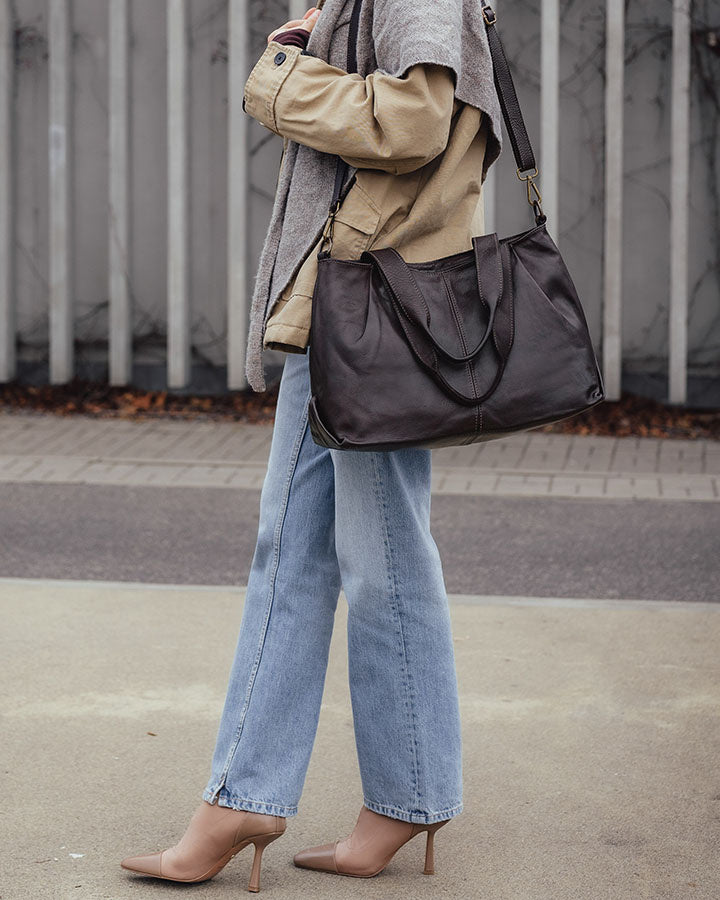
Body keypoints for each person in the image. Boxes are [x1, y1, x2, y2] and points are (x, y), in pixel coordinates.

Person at [121, 0, 501, 891]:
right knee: (312, 551)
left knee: (370, 557)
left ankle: (298, 794)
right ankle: (347, 794)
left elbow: (415, 121)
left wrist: (283, 75)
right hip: (348, 307)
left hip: (370, 309)